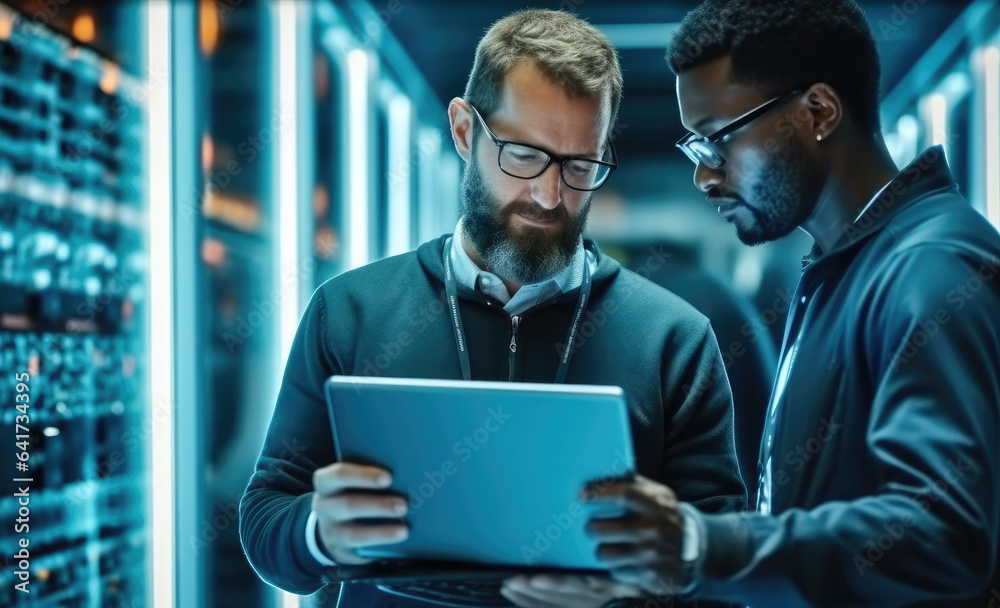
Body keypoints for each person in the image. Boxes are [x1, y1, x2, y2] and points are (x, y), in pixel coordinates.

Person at [239, 9, 746, 608]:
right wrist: (317, 533)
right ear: (462, 130)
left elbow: (724, 565)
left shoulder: (674, 340)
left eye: (579, 166)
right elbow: (266, 515)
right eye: (524, 155)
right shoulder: (349, 311)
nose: (548, 195)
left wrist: (629, 597)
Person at [551, 1, 1000, 606]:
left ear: (817, 111)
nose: (705, 177)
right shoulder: (844, 269)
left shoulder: (932, 268)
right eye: (696, 150)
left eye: (717, 140)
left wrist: (702, 546)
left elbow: (944, 533)